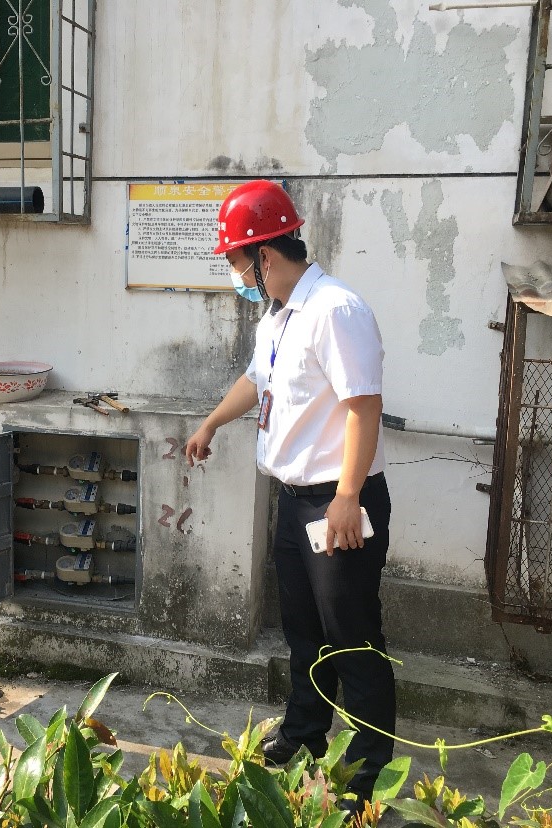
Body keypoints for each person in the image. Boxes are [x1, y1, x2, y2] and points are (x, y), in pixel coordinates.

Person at [184, 180, 394, 805]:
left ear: (264, 256)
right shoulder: (278, 317)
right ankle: (305, 734)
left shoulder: (335, 310)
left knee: (352, 636)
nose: (236, 276)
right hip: (296, 499)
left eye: (235, 262)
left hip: (339, 501)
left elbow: (363, 406)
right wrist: (210, 423)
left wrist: (348, 496)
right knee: (304, 630)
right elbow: (257, 380)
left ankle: (367, 768)